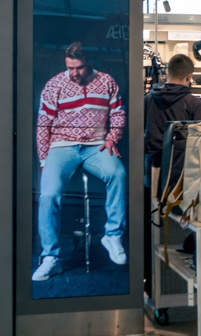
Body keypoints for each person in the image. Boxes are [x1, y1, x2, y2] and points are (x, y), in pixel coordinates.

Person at [33, 42, 127, 282]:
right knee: (49, 194)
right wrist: (44, 159)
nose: (74, 73)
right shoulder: (55, 84)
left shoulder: (107, 82)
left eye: (79, 68)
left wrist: (111, 137)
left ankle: (112, 235)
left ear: (90, 63)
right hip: (62, 146)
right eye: (70, 67)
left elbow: (117, 112)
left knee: (118, 175)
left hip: (95, 146)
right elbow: (44, 123)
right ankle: (50, 258)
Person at [142, 53, 201, 295]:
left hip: (152, 170)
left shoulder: (149, 98)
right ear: (189, 76)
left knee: (152, 226)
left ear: (166, 73)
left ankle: (152, 284)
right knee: (182, 224)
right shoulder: (193, 103)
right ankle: (177, 288)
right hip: (182, 176)